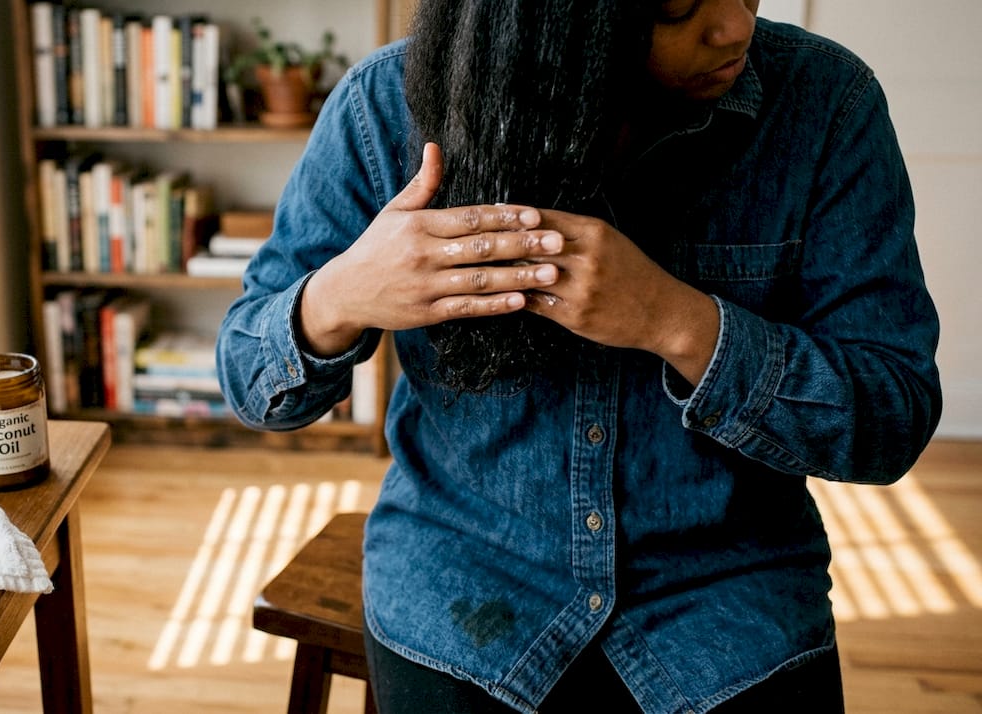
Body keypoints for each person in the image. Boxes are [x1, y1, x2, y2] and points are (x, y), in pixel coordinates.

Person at [216, 0, 942, 711]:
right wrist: (339, 297)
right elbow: (253, 384)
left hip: (729, 609)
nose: (735, 25)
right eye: (674, 7)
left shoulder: (826, 102)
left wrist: (676, 321)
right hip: (461, 592)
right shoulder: (386, 105)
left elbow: (890, 421)